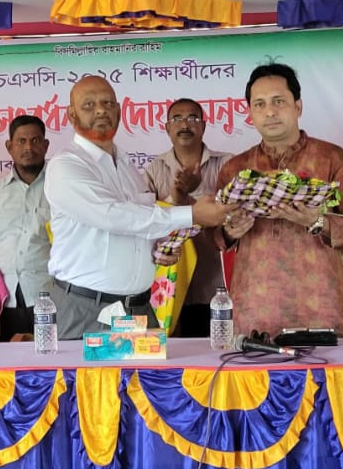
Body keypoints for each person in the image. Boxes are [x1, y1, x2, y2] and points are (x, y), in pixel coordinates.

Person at [44, 76, 234, 339]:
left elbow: (138, 224)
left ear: (119, 111)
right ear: (71, 115)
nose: (100, 110)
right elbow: (113, 216)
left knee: (153, 370)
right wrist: (192, 214)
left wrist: (158, 247)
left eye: (107, 103)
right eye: (89, 105)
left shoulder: (126, 166)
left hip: (138, 308)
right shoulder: (66, 165)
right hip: (86, 309)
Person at [215, 63, 343, 338]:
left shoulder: (332, 160)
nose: (270, 112)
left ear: (298, 106)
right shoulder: (235, 169)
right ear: (250, 113)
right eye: (260, 104)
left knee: (326, 368)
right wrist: (230, 231)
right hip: (253, 312)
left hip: (319, 309)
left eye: (279, 101)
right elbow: (215, 237)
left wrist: (319, 222)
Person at [143, 98, 233, 337]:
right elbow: (145, 221)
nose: (185, 125)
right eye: (177, 119)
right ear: (167, 128)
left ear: (203, 126)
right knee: (175, 354)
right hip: (170, 286)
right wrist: (176, 197)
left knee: (219, 350)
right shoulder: (154, 169)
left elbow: (235, 214)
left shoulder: (227, 164)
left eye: (192, 118)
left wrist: (194, 193)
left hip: (216, 285)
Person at [0, 115, 55, 341]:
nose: (28, 147)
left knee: (51, 354)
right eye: (21, 141)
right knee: (6, 359)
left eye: (35, 140)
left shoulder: (60, 188)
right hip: (4, 297)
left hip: (50, 294)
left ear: (46, 145)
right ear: (9, 147)